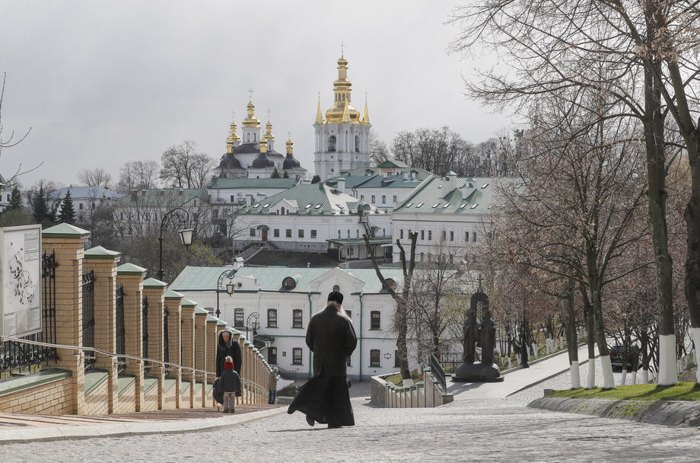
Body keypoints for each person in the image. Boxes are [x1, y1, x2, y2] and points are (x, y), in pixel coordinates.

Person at [287, 291, 357, 429]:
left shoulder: (315, 318)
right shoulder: (344, 321)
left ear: (328, 301)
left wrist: (318, 351)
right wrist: (344, 354)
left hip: (320, 363)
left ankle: (311, 411)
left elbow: (308, 340)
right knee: (336, 393)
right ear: (340, 304)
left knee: (320, 390)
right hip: (337, 365)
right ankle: (334, 421)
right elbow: (352, 341)